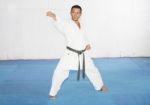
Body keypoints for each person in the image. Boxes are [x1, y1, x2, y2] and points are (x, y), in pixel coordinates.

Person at [46, 5, 107, 100]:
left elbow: (83, 36)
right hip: (70, 53)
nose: (75, 14)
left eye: (77, 12)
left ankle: (100, 86)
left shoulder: (81, 24)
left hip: (83, 53)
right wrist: (54, 16)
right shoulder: (67, 24)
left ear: (80, 14)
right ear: (70, 13)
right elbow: (60, 22)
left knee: (92, 70)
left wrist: (87, 44)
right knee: (59, 72)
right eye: (73, 12)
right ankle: (52, 93)